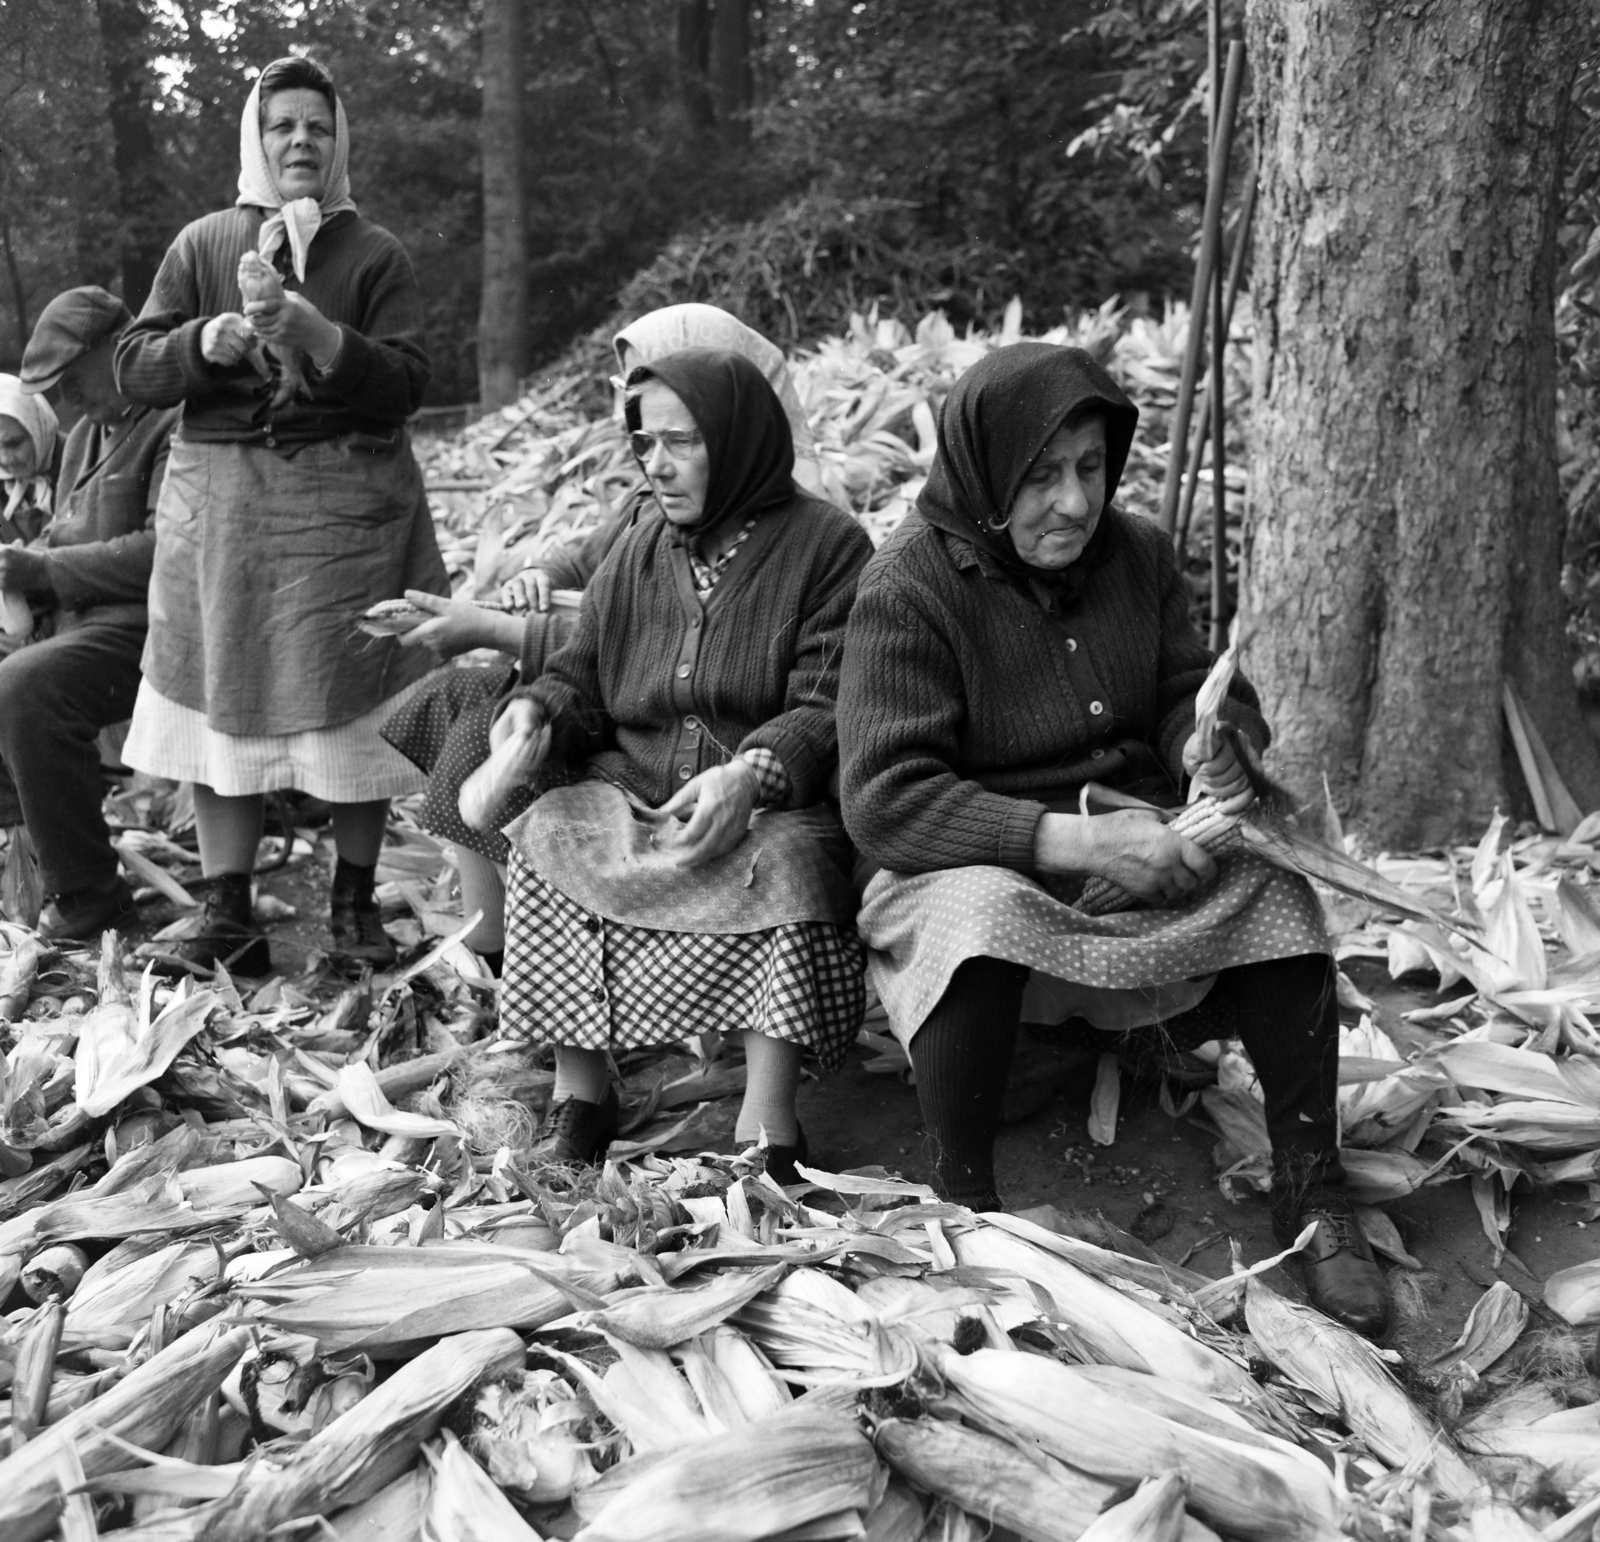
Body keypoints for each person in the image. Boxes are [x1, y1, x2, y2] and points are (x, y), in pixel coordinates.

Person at [836, 343, 1391, 1336]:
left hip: (1138, 836)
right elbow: (885, 801)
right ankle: (968, 1207)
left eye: (1089, 468)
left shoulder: (1135, 556)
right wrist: (1078, 844)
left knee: (1276, 893)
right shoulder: (908, 590)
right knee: (983, 912)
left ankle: (1313, 1189)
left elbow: (1190, 689)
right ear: (984, 475)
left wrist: (1212, 749)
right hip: (967, 861)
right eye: (1040, 475)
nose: (1073, 501)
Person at [485, 348, 872, 1178]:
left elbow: (830, 702)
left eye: (683, 443)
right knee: (550, 836)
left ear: (738, 442)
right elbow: (582, 673)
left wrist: (754, 774)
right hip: (636, 787)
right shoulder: (639, 547)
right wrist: (536, 711)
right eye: (644, 445)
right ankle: (583, 1099)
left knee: (793, 866)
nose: (657, 466)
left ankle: (767, 1125)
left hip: (763, 798)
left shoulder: (828, 547)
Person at [114, 55, 446, 974]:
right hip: (222, 517)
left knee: (349, 702)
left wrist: (319, 337)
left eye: (317, 126)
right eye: (282, 126)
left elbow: (409, 383)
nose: (301, 140)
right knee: (223, 700)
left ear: (339, 143)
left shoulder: (374, 254)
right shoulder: (203, 244)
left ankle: (351, 904)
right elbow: (133, 368)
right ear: (256, 142)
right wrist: (203, 341)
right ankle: (229, 910)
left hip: (346, 516)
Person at [381, 304, 820, 969]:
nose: (654, 453)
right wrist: (538, 575)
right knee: (468, 710)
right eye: (643, 429)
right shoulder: (653, 503)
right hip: (617, 711)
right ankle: (495, 955)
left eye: (679, 430)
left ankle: (512, 951)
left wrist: (494, 629)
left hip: (690, 743)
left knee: (481, 732)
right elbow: (593, 586)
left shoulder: (809, 532)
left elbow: (660, 647)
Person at [0, 290, 180, 940]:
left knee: (25, 687)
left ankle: (89, 902)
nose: (69, 403)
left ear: (119, 348)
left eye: (73, 382)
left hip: (154, 624)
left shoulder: (174, 422)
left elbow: (168, 550)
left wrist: (43, 573)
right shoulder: (83, 437)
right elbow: (63, 538)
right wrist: (24, 566)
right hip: (83, 622)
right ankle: (27, 871)